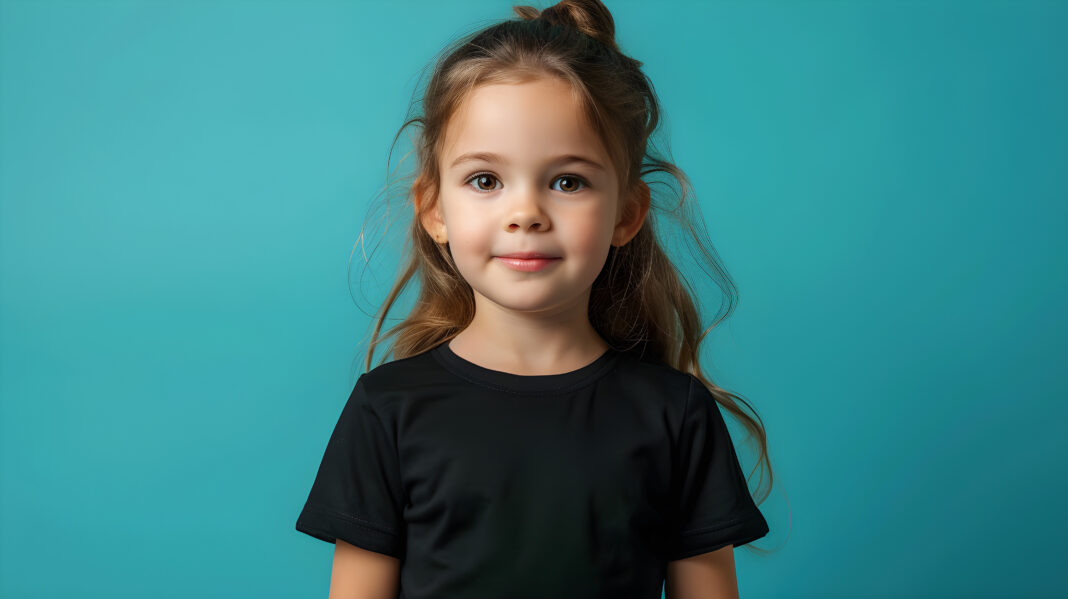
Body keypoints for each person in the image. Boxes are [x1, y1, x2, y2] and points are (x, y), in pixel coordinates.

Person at [295, 1, 775, 597]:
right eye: (485, 180)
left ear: (626, 214)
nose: (525, 213)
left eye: (567, 181)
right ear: (434, 210)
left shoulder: (675, 414)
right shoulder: (386, 411)